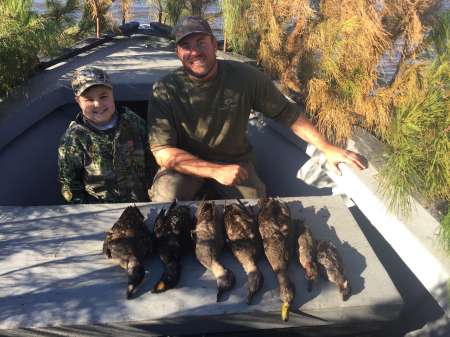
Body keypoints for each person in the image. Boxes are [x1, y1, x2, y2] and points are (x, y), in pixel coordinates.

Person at [148, 16, 366, 202]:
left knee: (257, 207)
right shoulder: (165, 89)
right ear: (178, 52)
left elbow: (286, 114)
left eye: (201, 42)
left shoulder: (245, 77)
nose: (194, 52)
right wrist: (214, 171)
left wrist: (326, 146)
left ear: (214, 44)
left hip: (235, 161)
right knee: (165, 194)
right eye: (186, 46)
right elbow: (163, 152)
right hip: (187, 164)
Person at [58, 67, 155, 204]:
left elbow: (152, 158)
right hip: (102, 211)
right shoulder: (74, 138)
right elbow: (69, 184)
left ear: (112, 94)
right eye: (89, 100)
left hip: (142, 202)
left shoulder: (133, 121)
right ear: (78, 101)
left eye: (103, 96)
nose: (98, 104)